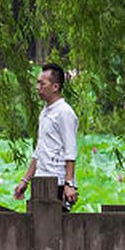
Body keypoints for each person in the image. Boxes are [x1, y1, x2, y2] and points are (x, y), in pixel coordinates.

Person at [13, 63, 79, 210]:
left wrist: (69, 184)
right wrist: (25, 180)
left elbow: (70, 149)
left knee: (54, 227)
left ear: (55, 87)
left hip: (58, 181)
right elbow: (40, 149)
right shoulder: (45, 112)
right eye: (37, 83)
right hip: (41, 179)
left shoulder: (64, 112)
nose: (38, 87)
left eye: (42, 84)